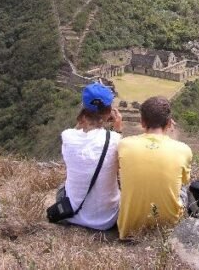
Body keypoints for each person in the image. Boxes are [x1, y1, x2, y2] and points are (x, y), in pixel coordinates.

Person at [117, 96, 192, 239]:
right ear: (169, 123)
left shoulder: (124, 145)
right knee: (183, 184)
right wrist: (174, 138)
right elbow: (183, 182)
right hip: (169, 229)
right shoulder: (183, 149)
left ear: (142, 122)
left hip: (128, 231)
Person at [60, 82, 123, 230]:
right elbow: (119, 166)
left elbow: (78, 131)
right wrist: (118, 127)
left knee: (62, 187)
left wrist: (83, 119)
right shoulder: (114, 139)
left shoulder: (67, 136)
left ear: (84, 109)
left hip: (72, 215)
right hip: (107, 220)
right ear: (109, 111)